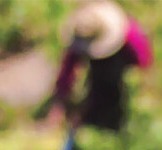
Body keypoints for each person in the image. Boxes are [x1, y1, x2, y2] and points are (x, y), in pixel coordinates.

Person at [44, 0, 153, 132]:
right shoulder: (81, 34)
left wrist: (140, 90)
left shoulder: (129, 34)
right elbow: (68, 71)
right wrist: (59, 104)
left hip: (123, 70)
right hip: (97, 76)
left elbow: (143, 63)